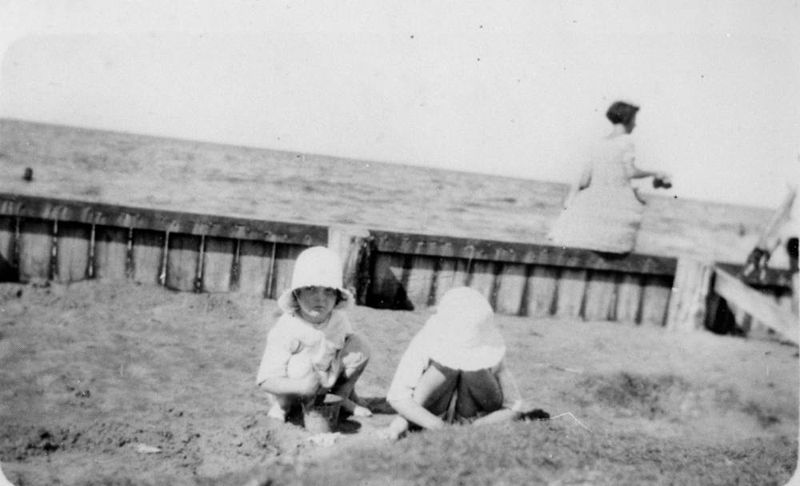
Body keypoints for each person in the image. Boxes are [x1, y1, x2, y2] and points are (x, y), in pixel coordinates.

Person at [381, 287, 526, 440]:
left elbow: (514, 406)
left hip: (473, 413)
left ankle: (463, 419)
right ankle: (414, 421)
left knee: (475, 369)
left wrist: (478, 426)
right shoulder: (424, 341)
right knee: (444, 368)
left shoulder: (488, 344)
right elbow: (397, 396)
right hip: (434, 410)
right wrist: (439, 427)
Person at [256, 246, 372, 426]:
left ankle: (339, 399)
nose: (320, 298)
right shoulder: (287, 326)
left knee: (360, 346)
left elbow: (346, 348)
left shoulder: (339, 319)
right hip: (293, 386)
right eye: (310, 289)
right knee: (300, 366)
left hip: (325, 381)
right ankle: (283, 407)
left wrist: (351, 391)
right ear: (297, 293)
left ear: (337, 297)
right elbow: (265, 380)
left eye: (328, 291)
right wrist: (301, 387)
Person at [548, 100, 672, 253]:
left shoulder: (599, 143)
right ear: (627, 119)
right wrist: (654, 173)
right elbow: (630, 172)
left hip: (593, 201)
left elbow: (584, 179)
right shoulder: (626, 142)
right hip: (617, 202)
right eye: (634, 120)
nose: (635, 124)